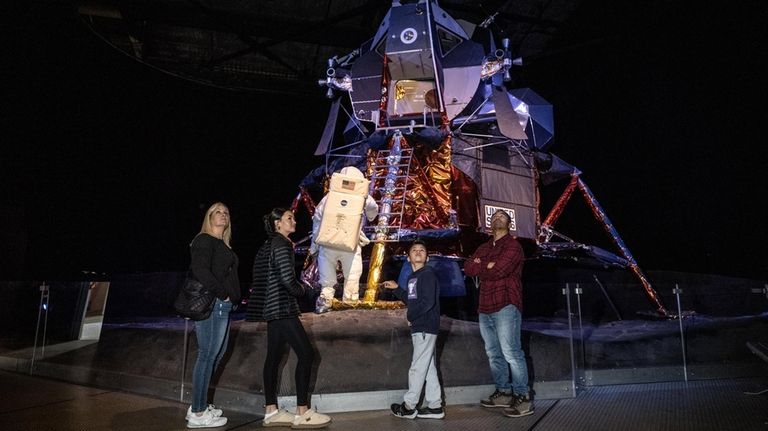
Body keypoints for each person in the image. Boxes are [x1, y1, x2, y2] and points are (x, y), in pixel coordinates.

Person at [247, 208, 332, 429]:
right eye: (289, 218)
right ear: (277, 224)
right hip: (282, 308)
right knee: (306, 354)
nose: (293, 221)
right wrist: (305, 290)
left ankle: (271, 411)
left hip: (271, 308)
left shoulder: (267, 246)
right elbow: (287, 279)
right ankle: (302, 412)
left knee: (273, 358)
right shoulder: (282, 244)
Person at [463, 209, 533, 418]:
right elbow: (468, 268)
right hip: (484, 306)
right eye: (494, 217)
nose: (498, 218)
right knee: (494, 354)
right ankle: (503, 392)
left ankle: (523, 397)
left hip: (506, 304)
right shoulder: (483, 247)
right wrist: (486, 265)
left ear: (509, 224)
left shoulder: (514, 246)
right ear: (489, 224)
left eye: (502, 216)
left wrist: (481, 266)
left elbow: (500, 270)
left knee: (511, 352)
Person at [186, 202, 241, 429]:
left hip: (224, 306)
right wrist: (224, 294)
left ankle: (200, 404)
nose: (223, 215)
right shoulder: (203, 240)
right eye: (217, 212)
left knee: (216, 356)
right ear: (209, 218)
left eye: (226, 212)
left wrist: (232, 299)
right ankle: (198, 413)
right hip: (214, 303)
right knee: (207, 355)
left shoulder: (223, 246)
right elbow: (200, 270)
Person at [382, 239, 444, 420]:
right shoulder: (413, 278)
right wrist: (397, 289)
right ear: (408, 258)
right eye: (414, 250)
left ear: (427, 257)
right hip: (421, 326)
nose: (418, 252)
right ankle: (435, 406)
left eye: (422, 250)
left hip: (425, 326)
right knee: (428, 367)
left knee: (417, 368)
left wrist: (411, 316)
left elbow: (427, 302)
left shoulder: (427, 274)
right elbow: (413, 300)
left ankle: (409, 406)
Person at [310, 166, 378, 313]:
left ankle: (325, 302)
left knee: (327, 279)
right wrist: (371, 216)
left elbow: (317, 219)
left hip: (327, 244)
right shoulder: (363, 197)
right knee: (352, 275)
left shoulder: (329, 197)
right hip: (350, 245)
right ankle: (350, 302)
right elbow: (373, 210)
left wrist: (314, 246)